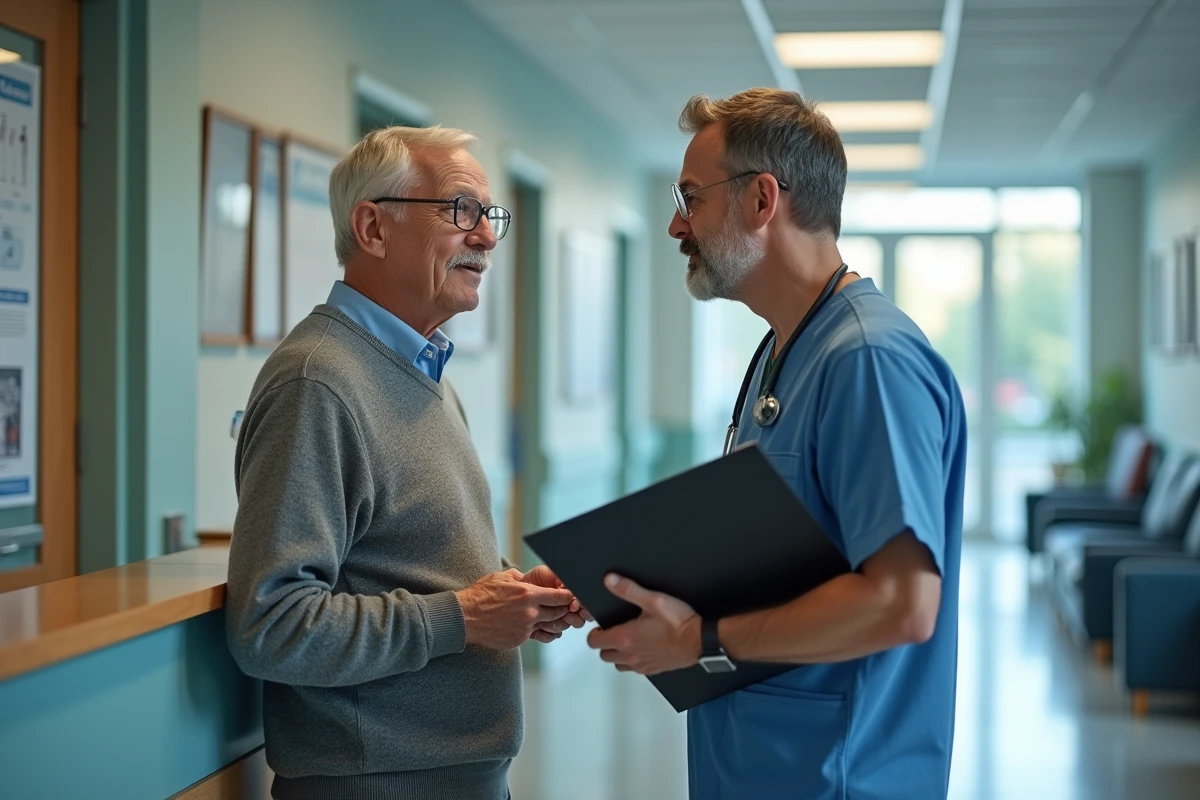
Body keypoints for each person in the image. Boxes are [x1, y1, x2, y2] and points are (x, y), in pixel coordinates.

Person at [586, 88, 967, 798]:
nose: (676, 224)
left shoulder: (868, 360)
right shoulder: (782, 349)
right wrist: (615, 580)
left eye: (691, 197)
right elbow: (785, 549)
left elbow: (903, 604)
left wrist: (698, 641)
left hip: (836, 773)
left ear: (762, 199)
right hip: (761, 761)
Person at [225, 125, 586, 800]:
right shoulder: (317, 383)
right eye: (461, 211)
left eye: (489, 214)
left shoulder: (426, 372)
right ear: (373, 228)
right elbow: (270, 626)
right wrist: (465, 617)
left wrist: (513, 597)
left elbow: (410, 565)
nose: (487, 237)